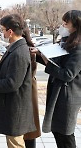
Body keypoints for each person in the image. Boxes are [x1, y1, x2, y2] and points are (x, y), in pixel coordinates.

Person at [0, 14, 36, 148]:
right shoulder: (16, 47)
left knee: (15, 144)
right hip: (13, 108)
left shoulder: (19, 52)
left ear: (10, 32)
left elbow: (12, 83)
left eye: (2, 30)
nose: (2, 33)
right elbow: (11, 72)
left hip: (16, 110)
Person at [30, 10, 81, 148]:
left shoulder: (78, 48)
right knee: (58, 132)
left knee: (65, 134)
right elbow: (55, 62)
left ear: (76, 26)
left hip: (68, 97)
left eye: (66, 23)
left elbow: (68, 74)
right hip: (58, 94)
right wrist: (40, 54)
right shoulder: (66, 42)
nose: (62, 26)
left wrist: (46, 62)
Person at [22, 22, 41, 148]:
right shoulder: (27, 46)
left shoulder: (25, 49)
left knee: (28, 130)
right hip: (28, 89)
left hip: (26, 90)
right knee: (28, 129)